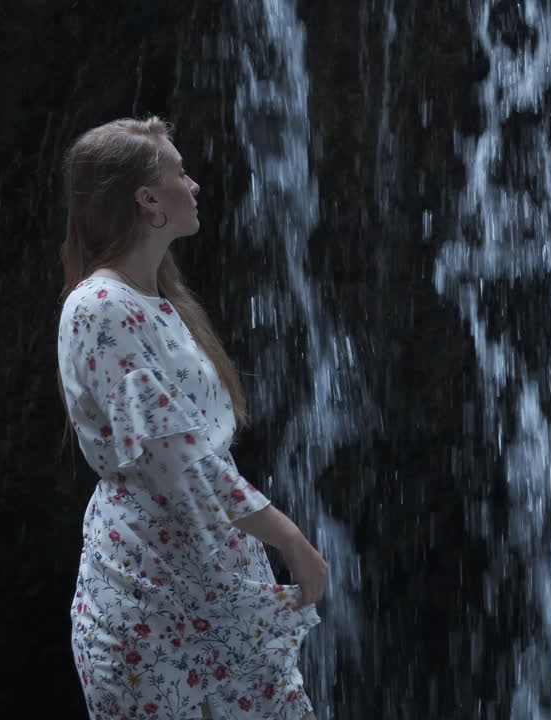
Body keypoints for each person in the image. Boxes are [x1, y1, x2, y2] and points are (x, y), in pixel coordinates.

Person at [53, 116, 329, 720]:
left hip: (211, 577)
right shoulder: (100, 307)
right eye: (179, 172)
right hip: (151, 590)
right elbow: (180, 461)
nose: (196, 184)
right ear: (147, 200)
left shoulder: (158, 304)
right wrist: (293, 540)